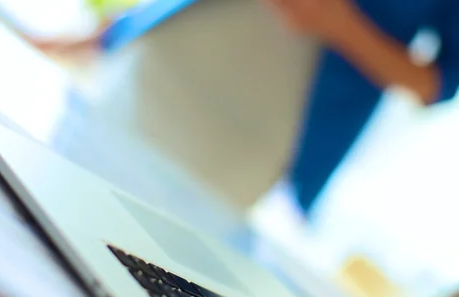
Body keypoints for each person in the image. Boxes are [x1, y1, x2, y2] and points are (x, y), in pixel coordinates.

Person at [30, 0, 459, 216]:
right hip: (168, 58)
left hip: (256, 135)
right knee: (47, 199)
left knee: (141, 257)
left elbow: (439, 84)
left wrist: (342, 25)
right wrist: (109, 28)